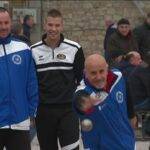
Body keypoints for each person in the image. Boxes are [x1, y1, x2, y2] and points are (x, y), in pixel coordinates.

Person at [31, 9, 85, 150]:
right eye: (50, 25)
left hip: (68, 110)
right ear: (45, 25)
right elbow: (31, 83)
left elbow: (81, 80)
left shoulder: (75, 49)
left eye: (57, 25)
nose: (53, 29)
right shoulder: (33, 51)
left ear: (62, 26)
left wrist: (81, 103)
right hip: (43, 112)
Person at [73, 54, 135, 150]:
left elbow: (130, 111)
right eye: (93, 73)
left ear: (107, 68)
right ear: (85, 73)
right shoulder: (83, 90)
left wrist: (131, 134)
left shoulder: (119, 77)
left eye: (101, 71)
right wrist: (86, 102)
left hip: (127, 145)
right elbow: (79, 100)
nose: (98, 77)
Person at [0, 7, 39, 150]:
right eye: (0, 23)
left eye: (6, 23)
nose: (3, 27)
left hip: (20, 121)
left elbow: (32, 82)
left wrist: (30, 111)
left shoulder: (23, 49)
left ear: (11, 23)